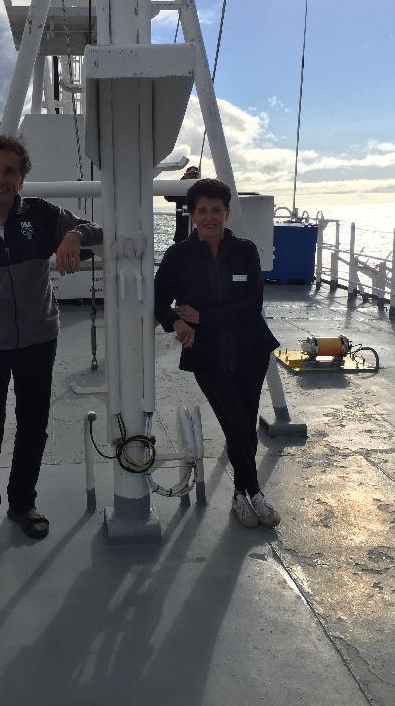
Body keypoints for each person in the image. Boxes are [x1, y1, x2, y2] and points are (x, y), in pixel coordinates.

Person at [0, 133, 102, 585]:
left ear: (22, 176)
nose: (1, 179)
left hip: (36, 341)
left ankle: (22, 502)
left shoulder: (43, 215)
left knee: (33, 426)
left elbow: (93, 230)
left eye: (10, 171)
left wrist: (71, 234)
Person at [154, 178, 281, 529]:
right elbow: (158, 298)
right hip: (207, 355)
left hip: (250, 350)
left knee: (245, 421)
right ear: (192, 215)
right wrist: (175, 324)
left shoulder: (245, 250)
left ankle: (241, 493)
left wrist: (204, 318)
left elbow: (252, 304)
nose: (210, 217)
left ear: (226, 213)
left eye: (216, 211)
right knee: (236, 423)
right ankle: (254, 492)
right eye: (202, 211)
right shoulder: (178, 256)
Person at [164, 165, 200, 242]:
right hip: (181, 234)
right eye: (189, 174)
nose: (192, 176)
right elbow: (167, 196)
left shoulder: (202, 191)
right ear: (185, 175)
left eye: (194, 174)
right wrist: (182, 181)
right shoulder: (180, 192)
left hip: (198, 234)